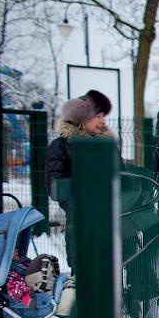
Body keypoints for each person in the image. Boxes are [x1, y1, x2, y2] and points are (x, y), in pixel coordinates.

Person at [46, 89, 113, 271]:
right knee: (83, 275)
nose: (103, 121)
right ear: (83, 119)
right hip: (81, 224)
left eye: (103, 116)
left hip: (110, 223)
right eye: (98, 116)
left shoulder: (107, 146)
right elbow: (56, 186)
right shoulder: (60, 146)